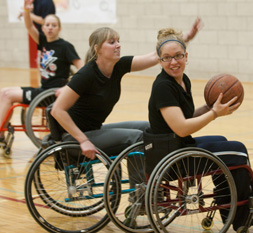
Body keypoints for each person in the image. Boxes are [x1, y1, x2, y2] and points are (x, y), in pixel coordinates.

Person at [144, 28, 253, 231]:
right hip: (173, 157)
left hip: (176, 147)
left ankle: (228, 206)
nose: (173, 62)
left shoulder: (182, 80)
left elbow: (185, 117)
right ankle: (244, 216)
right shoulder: (163, 87)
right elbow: (182, 128)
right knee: (238, 150)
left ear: (186, 56)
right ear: (159, 60)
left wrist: (210, 108)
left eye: (178, 56)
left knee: (223, 140)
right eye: (167, 58)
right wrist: (214, 114)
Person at [50, 17, 203, 159]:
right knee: (137, 138)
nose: (118, 45)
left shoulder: (118, 66)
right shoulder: (86, 74)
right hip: (75, 137)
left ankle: (156, 175)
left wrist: (185, 38)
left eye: (118, 41)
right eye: (111, 42)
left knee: (148, 129)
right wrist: (83, 140)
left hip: (95, 129)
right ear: (98, 49)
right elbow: (57, 110)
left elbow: (156, 56)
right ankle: (140, 186)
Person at [0, 0, 83, 142]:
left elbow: (83, 69)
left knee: (7, 95)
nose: (50, 28)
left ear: (59, 28)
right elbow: (29, 26)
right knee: (3, 92)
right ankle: (1, 133)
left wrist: (67, 88)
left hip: (51, 94)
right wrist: (27, 11)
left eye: (54, 25)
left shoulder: (65, 46)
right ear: (43, 28)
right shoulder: (44, 41)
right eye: (47, 25)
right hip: (43, 90)